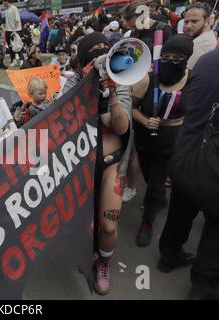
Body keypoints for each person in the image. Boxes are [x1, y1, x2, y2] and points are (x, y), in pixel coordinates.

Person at [159, 49, 219, 300]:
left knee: (181, 208)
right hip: (211, 162)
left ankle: (168, 256)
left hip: (185, 150)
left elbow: (186, 103)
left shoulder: (207, 60)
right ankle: (203, 287)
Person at [76, 33, 133, 295]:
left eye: (104, 49)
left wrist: (110, 94)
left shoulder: (120, 82)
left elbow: (120, 126)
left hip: (112, 163)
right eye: (94, 50)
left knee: (109, 224)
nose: (100, 52)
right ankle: (89, 253)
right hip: (82, 165)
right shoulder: (73, 85)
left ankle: (105, 262)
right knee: (85, 224)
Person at [132, 35, 194, 247]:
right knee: (149, 176)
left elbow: (194, 113)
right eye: (166, 55)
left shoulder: (193, 81)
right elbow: (131, 108)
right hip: (145, 139)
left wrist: (175, 124)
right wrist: (145, 120)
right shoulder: (148, 78)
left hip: (170, 143)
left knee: (156, 185)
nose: (170, 60)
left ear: (186, 59)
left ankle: (147, 222)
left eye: (177, 57)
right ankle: (158, 198)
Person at [183, 3, 217, 70]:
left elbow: (184, 74)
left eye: (194, 21)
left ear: (206, 21)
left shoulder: (201, 44)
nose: (188, 26)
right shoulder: (204, 38)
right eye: (186, 22)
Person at [3, 0, 25, 67]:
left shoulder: (14, 8)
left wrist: (14, 31)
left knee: (17, 46)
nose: (3, 3)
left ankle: (21, 60)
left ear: (7, 1)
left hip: (15, 30)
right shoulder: (5, 10)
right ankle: (13, 60)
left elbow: (17, 20)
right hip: (7, 30)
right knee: (10, 47)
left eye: (3, 2)